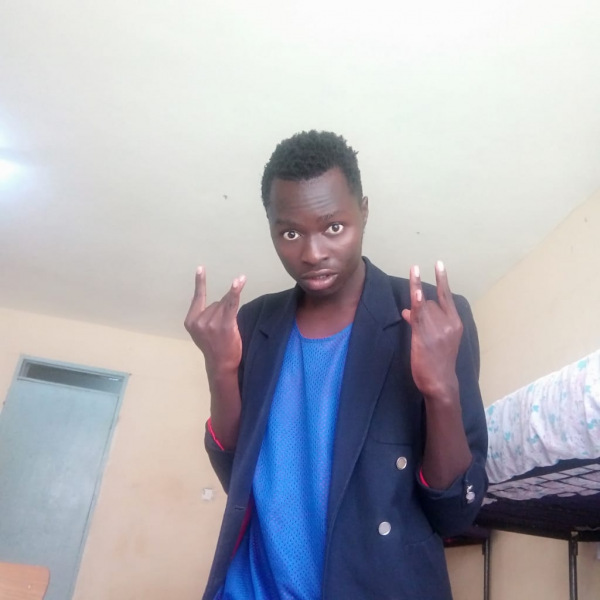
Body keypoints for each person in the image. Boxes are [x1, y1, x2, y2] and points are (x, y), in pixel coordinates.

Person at [184, 130, 488, 600]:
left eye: (333, 228)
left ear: (363, 211)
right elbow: (238, 479)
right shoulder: (254, 322)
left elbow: (455, 514)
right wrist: (219, 371)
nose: (312, 253)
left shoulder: (432, 319)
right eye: (290, 233)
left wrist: (441, 391)